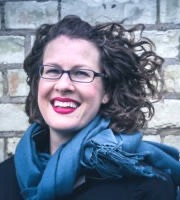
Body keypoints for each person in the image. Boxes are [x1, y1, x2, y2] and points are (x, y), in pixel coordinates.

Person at [0, 15, 179, 200]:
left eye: (81, 73)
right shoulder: (5, 178)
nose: (63, 85)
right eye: (52, 70)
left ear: (106, 91)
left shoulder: (146, 185)